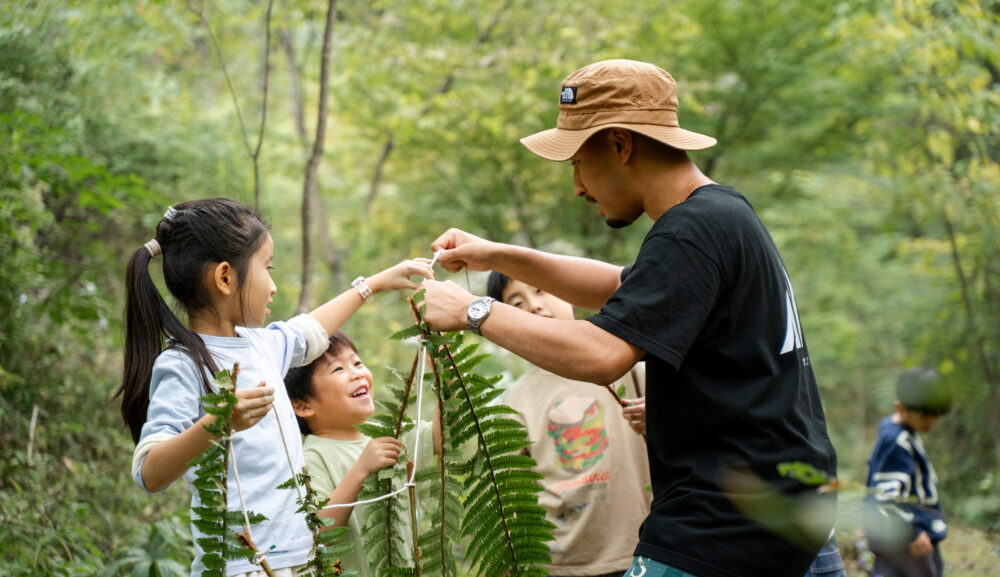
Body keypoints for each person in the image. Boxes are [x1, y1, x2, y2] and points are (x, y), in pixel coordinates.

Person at [416, 59, 838, 577]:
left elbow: (602, 353)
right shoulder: (721, 215)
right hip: (780, 512)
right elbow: (621, 286)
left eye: (577, 161)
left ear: (620, 145)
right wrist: (498, 256)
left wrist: (471, 310)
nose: (577, 185)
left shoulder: (690, 230)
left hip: (720, 524)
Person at [114, 197, 433, 577]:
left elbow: (310, 330)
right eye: (267, 267)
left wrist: (375, 285)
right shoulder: (183, 364)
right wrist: (219, 423)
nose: (274, 286)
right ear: (225, 278)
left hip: (302, 562)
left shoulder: (262, 345)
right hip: (241, 569)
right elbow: (149, 471)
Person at [486, 271, 651, 577]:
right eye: (516, 303)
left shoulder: (625, 364)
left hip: (641, 551)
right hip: (559, 564)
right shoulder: (516, 400)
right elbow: (509, 498)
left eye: (542, 288)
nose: (534, 306)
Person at [284, 331, 440, 577]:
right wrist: (360, 470)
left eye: (357, 363)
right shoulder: (311, 456)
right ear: (303, 405)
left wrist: (444, 377)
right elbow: (318, 531)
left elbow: (441, 437)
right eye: (338, 370)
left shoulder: (388, 434)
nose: (357, 372)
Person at [864, 367, 951, 577]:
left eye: (938, 414)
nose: (933, 420)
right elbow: (887, 494)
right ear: (900, 408)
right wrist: (914, 532)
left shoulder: (903, 431)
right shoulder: (897, 441)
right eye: (926, 415)